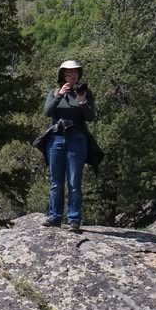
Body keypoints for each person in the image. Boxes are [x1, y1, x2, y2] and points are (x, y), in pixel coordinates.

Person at [40, 59, 96, 232]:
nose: (72, 75)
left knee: (74, 181)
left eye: (75, 72)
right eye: (68, 73)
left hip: (77, 139)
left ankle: (74, 219)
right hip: (56, 138)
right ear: (62, 75)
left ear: (79, 75)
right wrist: (59, 96)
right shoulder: (55, 92)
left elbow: (91, 117)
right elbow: (47, 112)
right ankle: (54, 217)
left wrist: (82, 101)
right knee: (56, 182)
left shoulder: (85, 93)